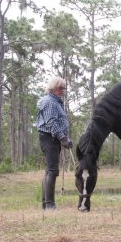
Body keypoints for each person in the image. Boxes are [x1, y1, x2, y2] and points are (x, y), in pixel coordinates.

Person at [36, 77, 73, 210]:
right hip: (49, 138)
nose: (63, 91)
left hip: (53, 139)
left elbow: (58, 122)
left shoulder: (56, 102)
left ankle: (45, 204)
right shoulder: (50, 102)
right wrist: (62, 137)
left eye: (64, 88)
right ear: (54, 88)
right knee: (52, 171)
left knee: (49, 171)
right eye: (61, 88)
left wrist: (64, 138)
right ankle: (50, 205)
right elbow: (51, 122)